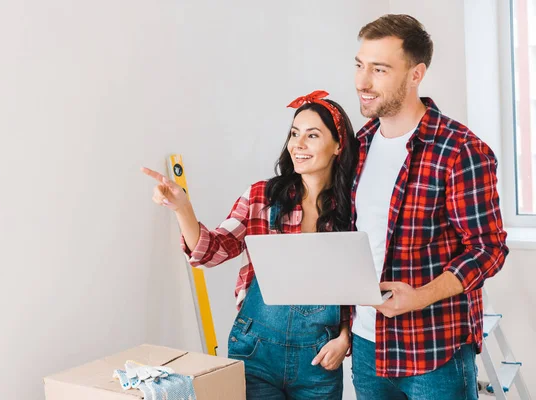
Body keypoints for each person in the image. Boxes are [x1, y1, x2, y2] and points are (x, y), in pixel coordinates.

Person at [142, 90, 359, 399]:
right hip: (255, 353)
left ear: (338, 146)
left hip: (319, 360)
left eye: (312, 135)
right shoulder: (262, 198)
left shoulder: (352, 209)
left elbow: (358, 288)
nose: (298, 144)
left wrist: (345, 338)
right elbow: (211, 251)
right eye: (294, 133)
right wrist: (182, 208)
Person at [350, 14, 509, 400]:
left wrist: (418, 297)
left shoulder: (460, 150)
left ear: (416, 73)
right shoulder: (360, 143)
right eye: (359, 65)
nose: (362, 82)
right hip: (366, 345)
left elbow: (488, 249)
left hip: (432, 350)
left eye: (380, 69)